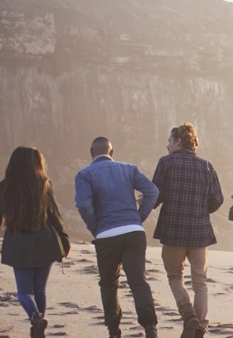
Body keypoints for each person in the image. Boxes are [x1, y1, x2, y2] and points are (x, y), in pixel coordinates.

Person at [74, 137, 161, 338]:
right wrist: (139, 217)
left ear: (91, 153)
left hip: (106, 234)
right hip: (133, 231)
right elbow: (152, 191)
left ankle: (114, 331)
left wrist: (96, 228)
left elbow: (84, 205)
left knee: (109, 283)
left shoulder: (84, 174)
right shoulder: (129, 169)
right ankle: (150, 328)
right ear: (111, 153)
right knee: (138, 281)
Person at [0, 146, 70, 338]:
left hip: (18, 244)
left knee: (24, 292)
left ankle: (35, 319)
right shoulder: (43, 184)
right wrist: (65, 241)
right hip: (44, 241)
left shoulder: (3, 187)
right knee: (40, 289)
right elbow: (55, 215)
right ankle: (38, 326)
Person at [151, 123, 225, 338]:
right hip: (200, 233)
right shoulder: (206, 166)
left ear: (178, 141)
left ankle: (188, 315)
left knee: (175, 276)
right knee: (200, 280)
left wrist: (143, 205)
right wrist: (202, 211)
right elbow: (218, 199)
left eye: (169, 141)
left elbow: (156, 194)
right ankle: (200, 326)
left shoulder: (166, 163)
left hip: (173, 231)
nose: (167, 146)